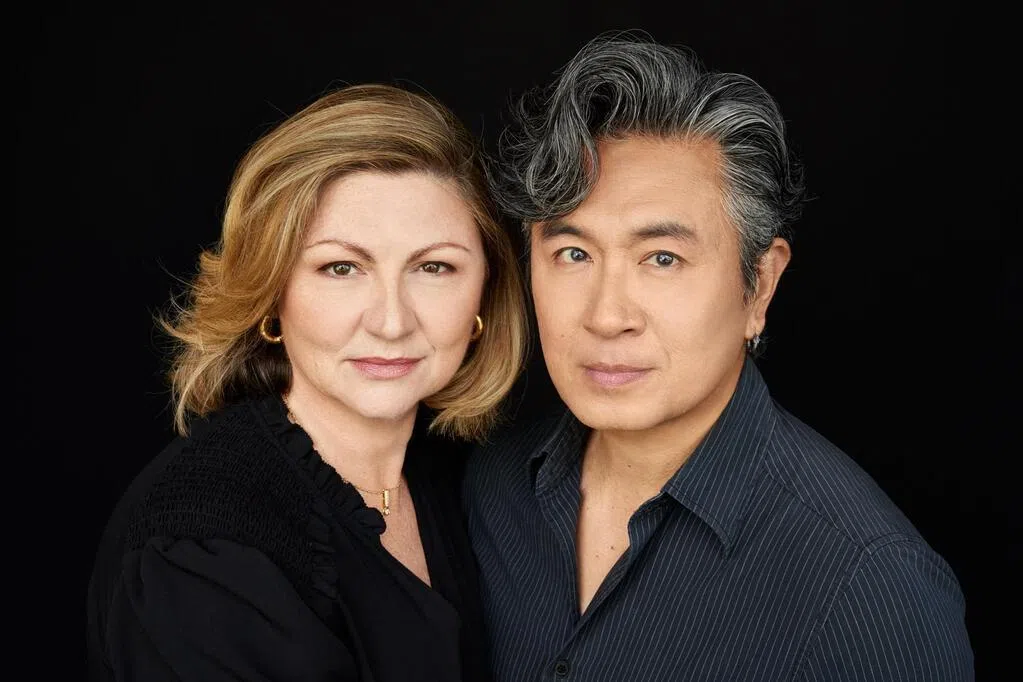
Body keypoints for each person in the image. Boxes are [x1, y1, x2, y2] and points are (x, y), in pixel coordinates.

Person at [464, 33, 974, 681]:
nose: (606, 315)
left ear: (758, 285)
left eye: (662, 258)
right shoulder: (489, 486)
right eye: (573, 254)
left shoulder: (869, 584)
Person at [86, 83, 527, 681]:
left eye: (434, 267)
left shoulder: (472, 482)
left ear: (484, 294)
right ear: (272, 290)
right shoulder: (203, 548)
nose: (391, 321)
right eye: (341, 268)